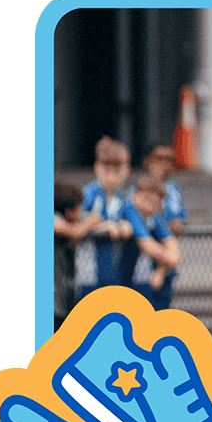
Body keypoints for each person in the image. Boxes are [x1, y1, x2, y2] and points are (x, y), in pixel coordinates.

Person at [74, 136, 133, 303]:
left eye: (117, 171)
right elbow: (79, 220)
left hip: (112, 269)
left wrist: (124, 225)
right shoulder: (89, 193)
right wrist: (104, 226)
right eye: (108, 171)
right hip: (88, 271)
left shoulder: (121, 198)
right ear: (97, 168)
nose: (112, 177)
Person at [119, 174, 181, 311]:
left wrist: (161, 269)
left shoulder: (154, 218)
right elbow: (148, 246)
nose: (149, 205)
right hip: (126, 281)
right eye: (145, 199)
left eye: (154, 201)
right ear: (135, 195)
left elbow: (171, 244)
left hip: (147, 280)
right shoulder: (130, 211)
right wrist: (170, 259)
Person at [127, 142, 189, 237]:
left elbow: (179, 216)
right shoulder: (135, 189)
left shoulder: (173, 189)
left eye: (168, 160)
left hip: (167, 241)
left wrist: (177, 223)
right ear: (147, 161)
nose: (164, 164)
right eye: (159, 159)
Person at [54, 181, 89, 331]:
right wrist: (91, 222)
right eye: (78, 208)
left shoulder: (70, 222)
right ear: (69, 212)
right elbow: (75, 232)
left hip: (64, 299)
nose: (81, 212)